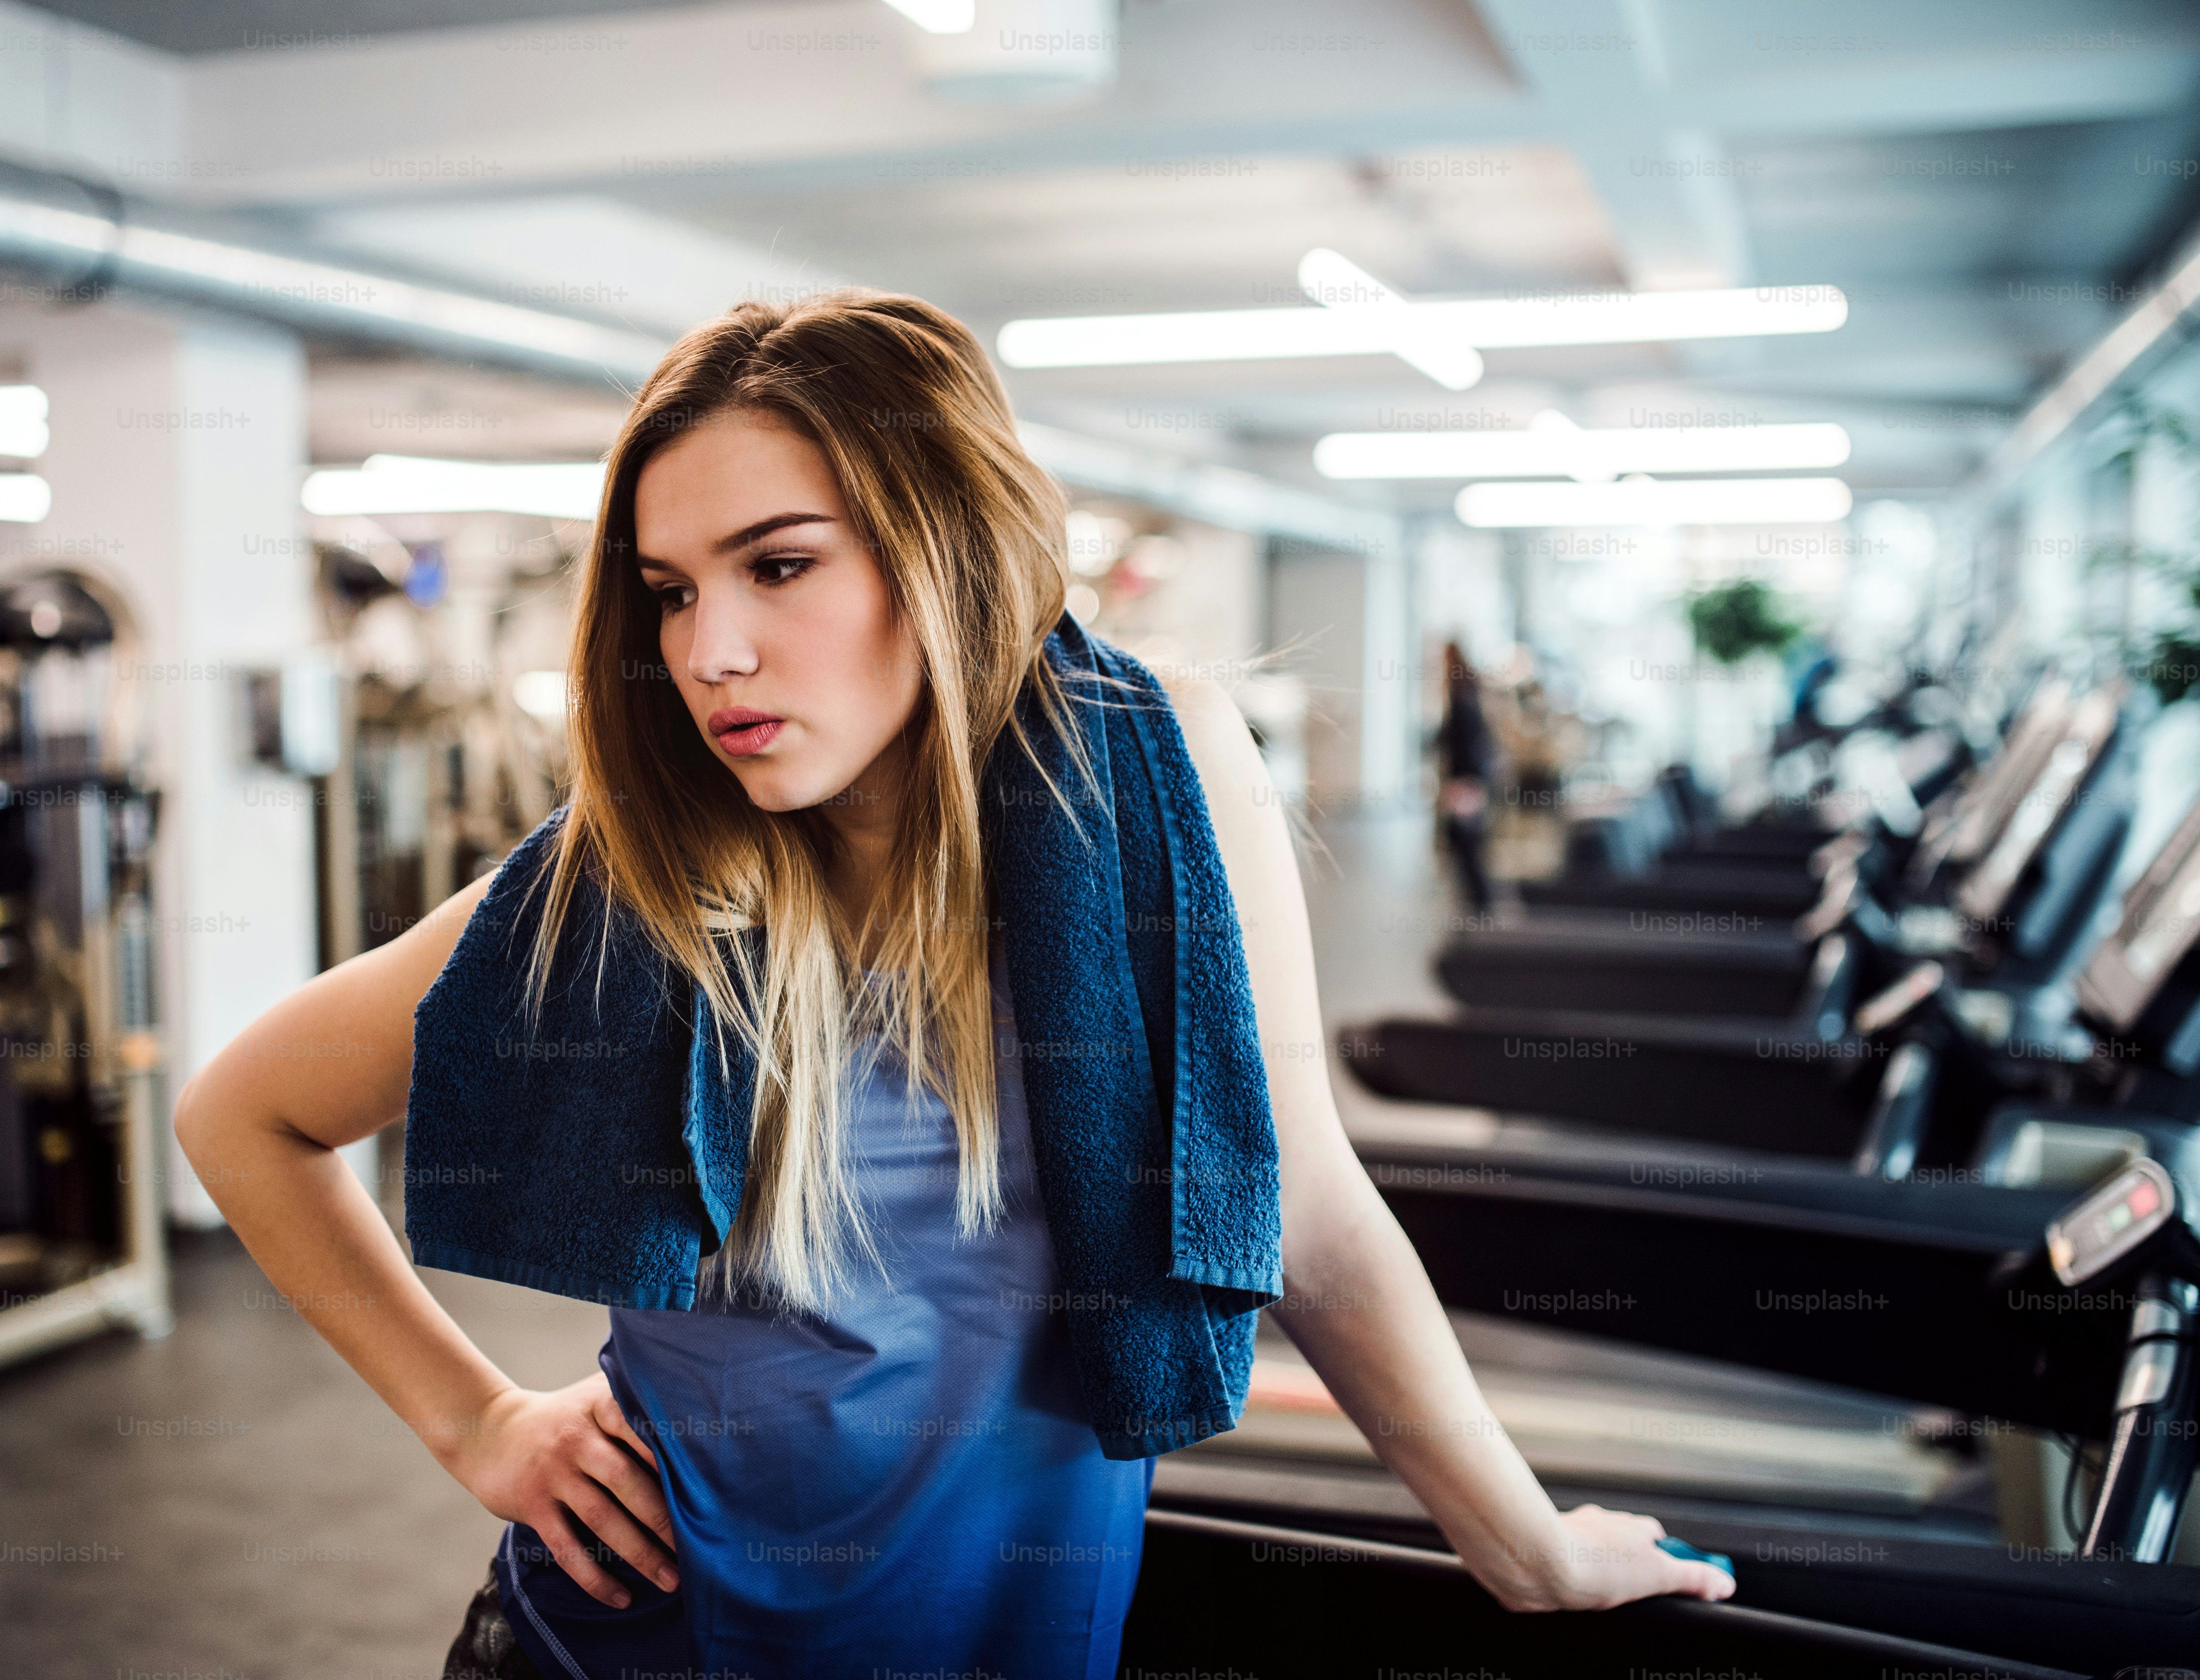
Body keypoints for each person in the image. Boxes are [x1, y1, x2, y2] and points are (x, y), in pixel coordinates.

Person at [174, 292, 1731, 1680]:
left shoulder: (1152, 773)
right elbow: (245, 1113)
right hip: (642, 1638)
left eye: (777, 565)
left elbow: (1299, 1200)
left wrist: (1520, 1546)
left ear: (941, 547)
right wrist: (478, 1422)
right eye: (666, 590)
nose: (710, 648)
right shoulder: (630, 880)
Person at [1435, 639, 1497, 913]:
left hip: (1465, 780)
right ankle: (1477, 901)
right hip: (1469, 778)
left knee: (1467, 840)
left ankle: (1479, 902)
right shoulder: (1468, 692)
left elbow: (1464, 745)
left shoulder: (1461, 699)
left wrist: (1460, 781)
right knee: (1467, 838)